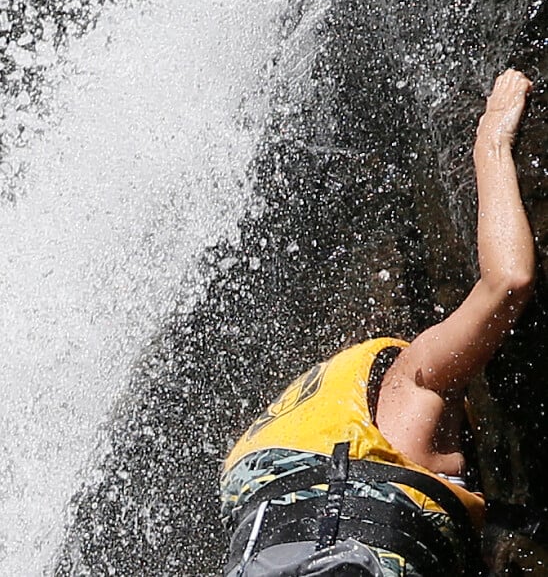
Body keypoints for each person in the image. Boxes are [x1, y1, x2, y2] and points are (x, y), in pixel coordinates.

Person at [220, 69, 535, 577]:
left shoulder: (287, 450)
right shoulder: (412, 397)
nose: (467, 477)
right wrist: (492, 141)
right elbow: (508, 282)